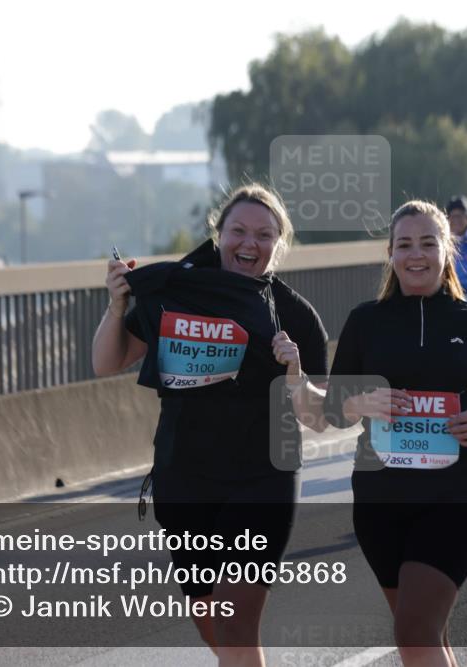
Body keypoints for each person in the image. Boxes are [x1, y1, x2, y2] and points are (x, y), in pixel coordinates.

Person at [91, 184, 329, 665]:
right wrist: (117, 307)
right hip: (185, 480)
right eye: (238, 231)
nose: (249, 243)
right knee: (215, 630)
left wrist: (295, 372)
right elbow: (108, 361)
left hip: (262, 479)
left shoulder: (297, 315)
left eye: (264, 235)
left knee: (239, 633)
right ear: (218, 235)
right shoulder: (181, 294)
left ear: (279, 244)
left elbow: (319, 417)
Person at [324, 200, 467, 667]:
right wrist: (360, 402)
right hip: (380, 500)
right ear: (390, 254)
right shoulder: (365, 321)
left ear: (447, 250)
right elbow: (335, 408)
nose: (416, 255)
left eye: (428, 243)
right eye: (404, 244)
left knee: (415, 633)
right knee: (423, 635)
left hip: (457, 495)